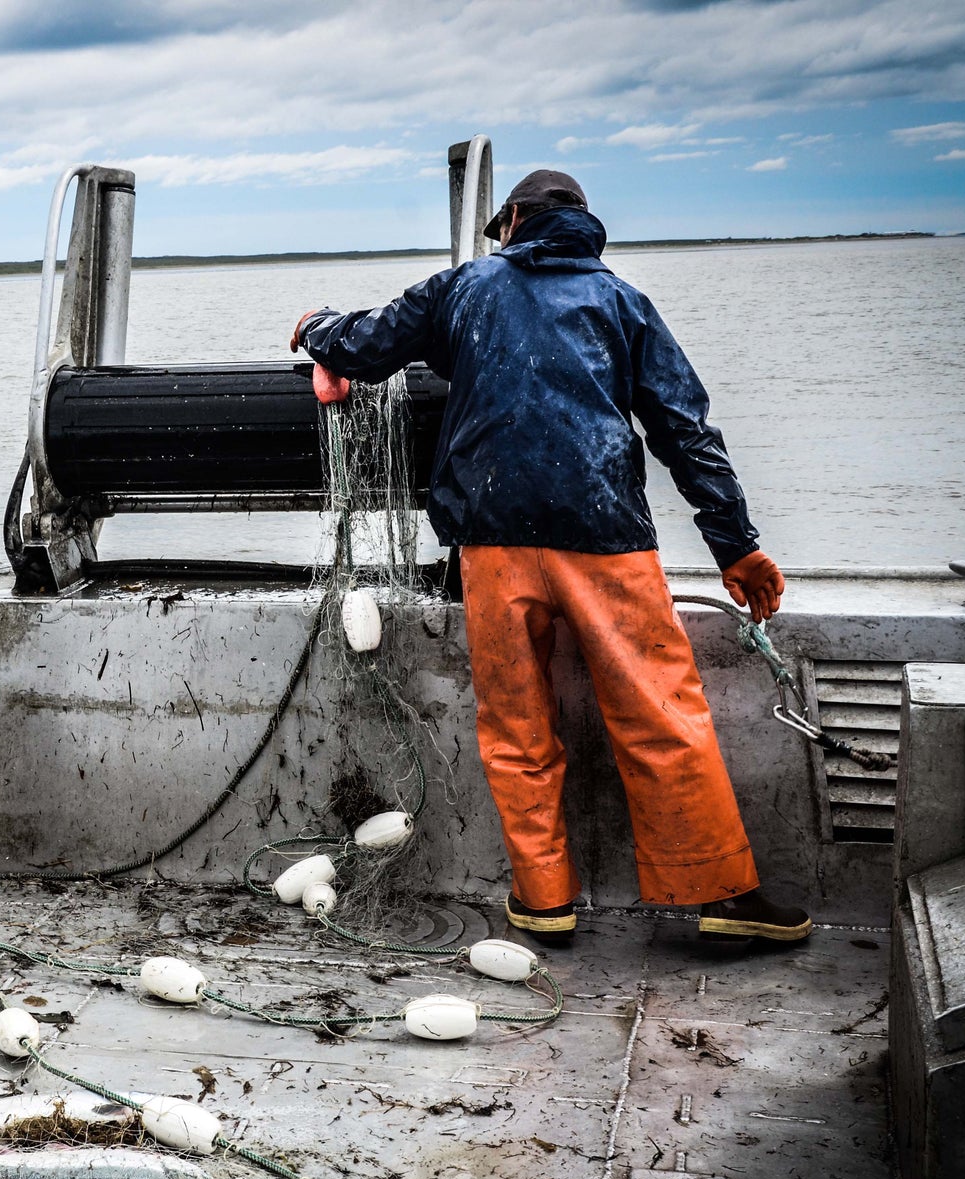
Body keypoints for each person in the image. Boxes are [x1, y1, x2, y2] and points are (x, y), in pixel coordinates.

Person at [292, 169, 807, 944]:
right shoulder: (623, 301)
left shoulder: (466, 288)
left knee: (517, 726)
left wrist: (316, 326)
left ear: (515, 221)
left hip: (493, 543)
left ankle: (543, 897)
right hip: (605, 540)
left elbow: (370, 345)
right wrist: (735, 547)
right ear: (584, 225)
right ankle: (721, 893)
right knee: (660, 714)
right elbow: (684, 431)